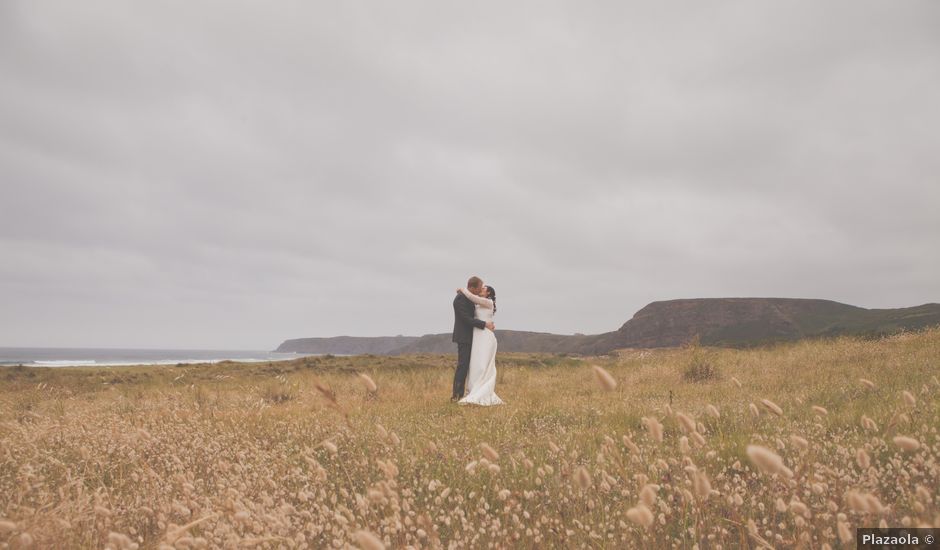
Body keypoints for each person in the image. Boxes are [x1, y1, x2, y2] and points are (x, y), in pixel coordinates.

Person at [456, 284, 503, 406]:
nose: (480, 289)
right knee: (475, 364)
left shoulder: (488, 302)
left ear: (488, 293)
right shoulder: (479, 302)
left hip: (485, 336)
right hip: (477, 336)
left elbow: (473, 297)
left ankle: (482, 391)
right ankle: (473, 390)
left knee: (483, 365)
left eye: (483, 289)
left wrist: (463, 289)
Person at [452, 276, 494, 401]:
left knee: (473, 367)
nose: (480, 290)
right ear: (472, 287)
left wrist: (488, 321)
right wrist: (485, 324)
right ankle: (456, 395)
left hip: (476, 337)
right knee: (463, 366)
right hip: (464, 337)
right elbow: (466, 319)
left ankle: (472, 391)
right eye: (479, 288)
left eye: (483, 288)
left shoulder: (471, 299)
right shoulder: (460, 299)